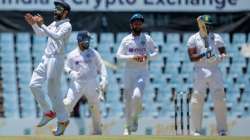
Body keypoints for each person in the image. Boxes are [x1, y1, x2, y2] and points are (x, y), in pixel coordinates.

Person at [24, 0, 72, 136]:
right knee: (33, 85)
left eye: (59, 9)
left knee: (52, 92)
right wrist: (34, 24)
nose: (55, 10)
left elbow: (56, 36)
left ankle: (63, 120)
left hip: (56, 59)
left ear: (65, 12)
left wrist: (42, 24)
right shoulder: (54, 23)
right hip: (46, 58)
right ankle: (48, 112)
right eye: (55, 8)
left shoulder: (67, 25)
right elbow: (41, 34)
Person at [116, 13, 158, 135]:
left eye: (140, 23)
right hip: (128, 72)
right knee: (128, 101)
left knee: (137, 96)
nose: (138, 25)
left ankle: (135, 118)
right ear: (131, 25)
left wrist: (147, 56)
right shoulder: (126, 39)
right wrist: (132, 57)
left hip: (142, 72)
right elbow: (118, 56)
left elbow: (156, 52)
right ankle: (127, 126)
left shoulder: (147, 38)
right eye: (135, 23)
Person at [187, 15, 228, 136]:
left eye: (210, 25)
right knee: (196, 100)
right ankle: (196, 131)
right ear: (201, 25)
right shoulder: (193, 39)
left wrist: (220, 57)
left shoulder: (217, 37)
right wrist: (204, 54)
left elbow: (224, 53)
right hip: (200, 71)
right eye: (206, 25)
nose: (209, 27)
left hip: (215, 70)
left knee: (220, 100)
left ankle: (222, 130)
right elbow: (192, 57)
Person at [63, 31, 107, 135]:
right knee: (68, 104)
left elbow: (101, 65)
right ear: (79, 41)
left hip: (92, 82)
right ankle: (60, 128)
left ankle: (97, 132)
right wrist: (71, 72)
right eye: (86, 40)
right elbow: (65, 66)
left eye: (89, 40)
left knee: (95, 106)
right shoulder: (72, 55)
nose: (88, 42)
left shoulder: (93, 53)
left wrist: (104, 78)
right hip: (77, 83)